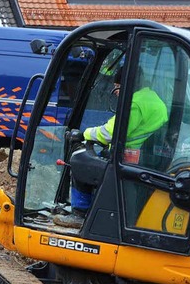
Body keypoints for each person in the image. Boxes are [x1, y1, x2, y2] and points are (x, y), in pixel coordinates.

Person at [55, 66, 168, 228]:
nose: (116, 92)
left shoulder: (134, 103)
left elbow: (109, 133)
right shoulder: (156, 101)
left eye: (117, 87)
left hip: (127, 162)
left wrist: (83, 134)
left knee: (80, 161)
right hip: (143, 160)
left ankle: (80, 214)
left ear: (128, 84)